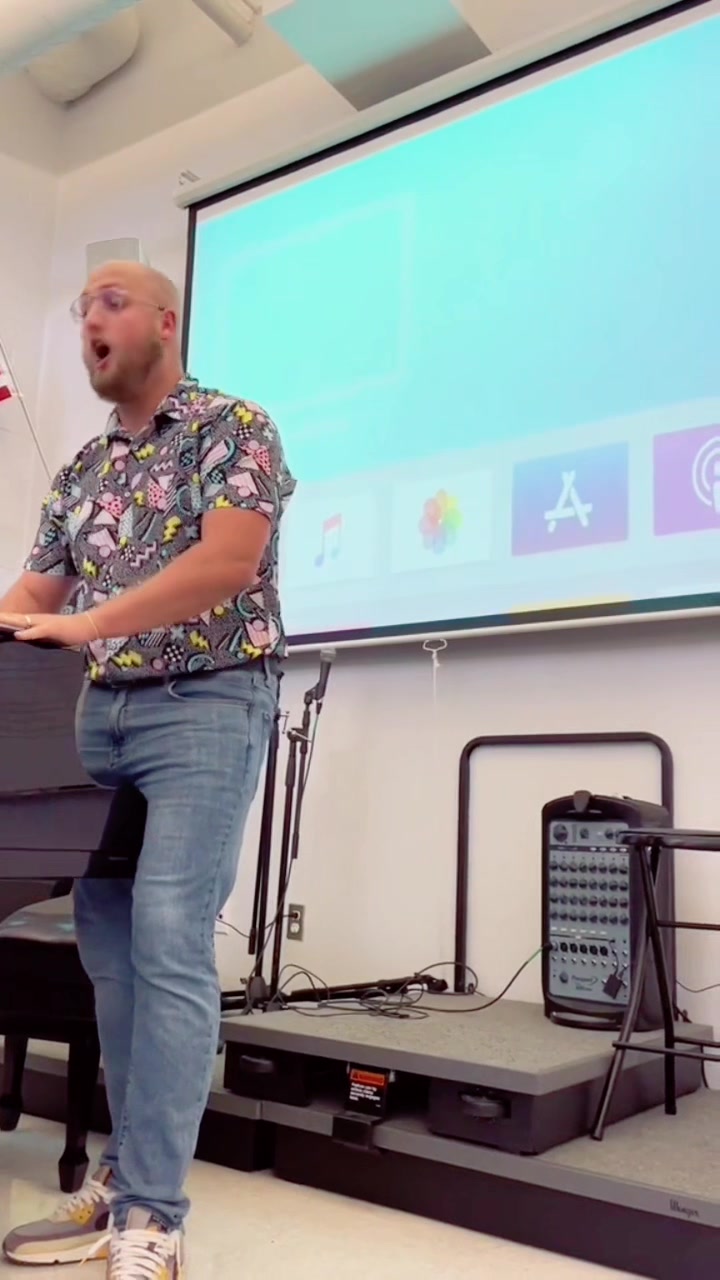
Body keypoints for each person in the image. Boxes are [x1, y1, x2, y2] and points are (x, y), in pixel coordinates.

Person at [0, 261, 295, 1278]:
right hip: (101, 717)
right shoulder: (82, 469)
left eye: (112, 301)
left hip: (209, 702)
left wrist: (88, 624)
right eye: (82, 306)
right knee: (111, 953)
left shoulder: (233, 427)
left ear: (166, 320)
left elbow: (227, 563)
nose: (91, 318)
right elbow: (34, 594)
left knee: (169, 939)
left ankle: (154, 1218)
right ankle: (125, 1175)